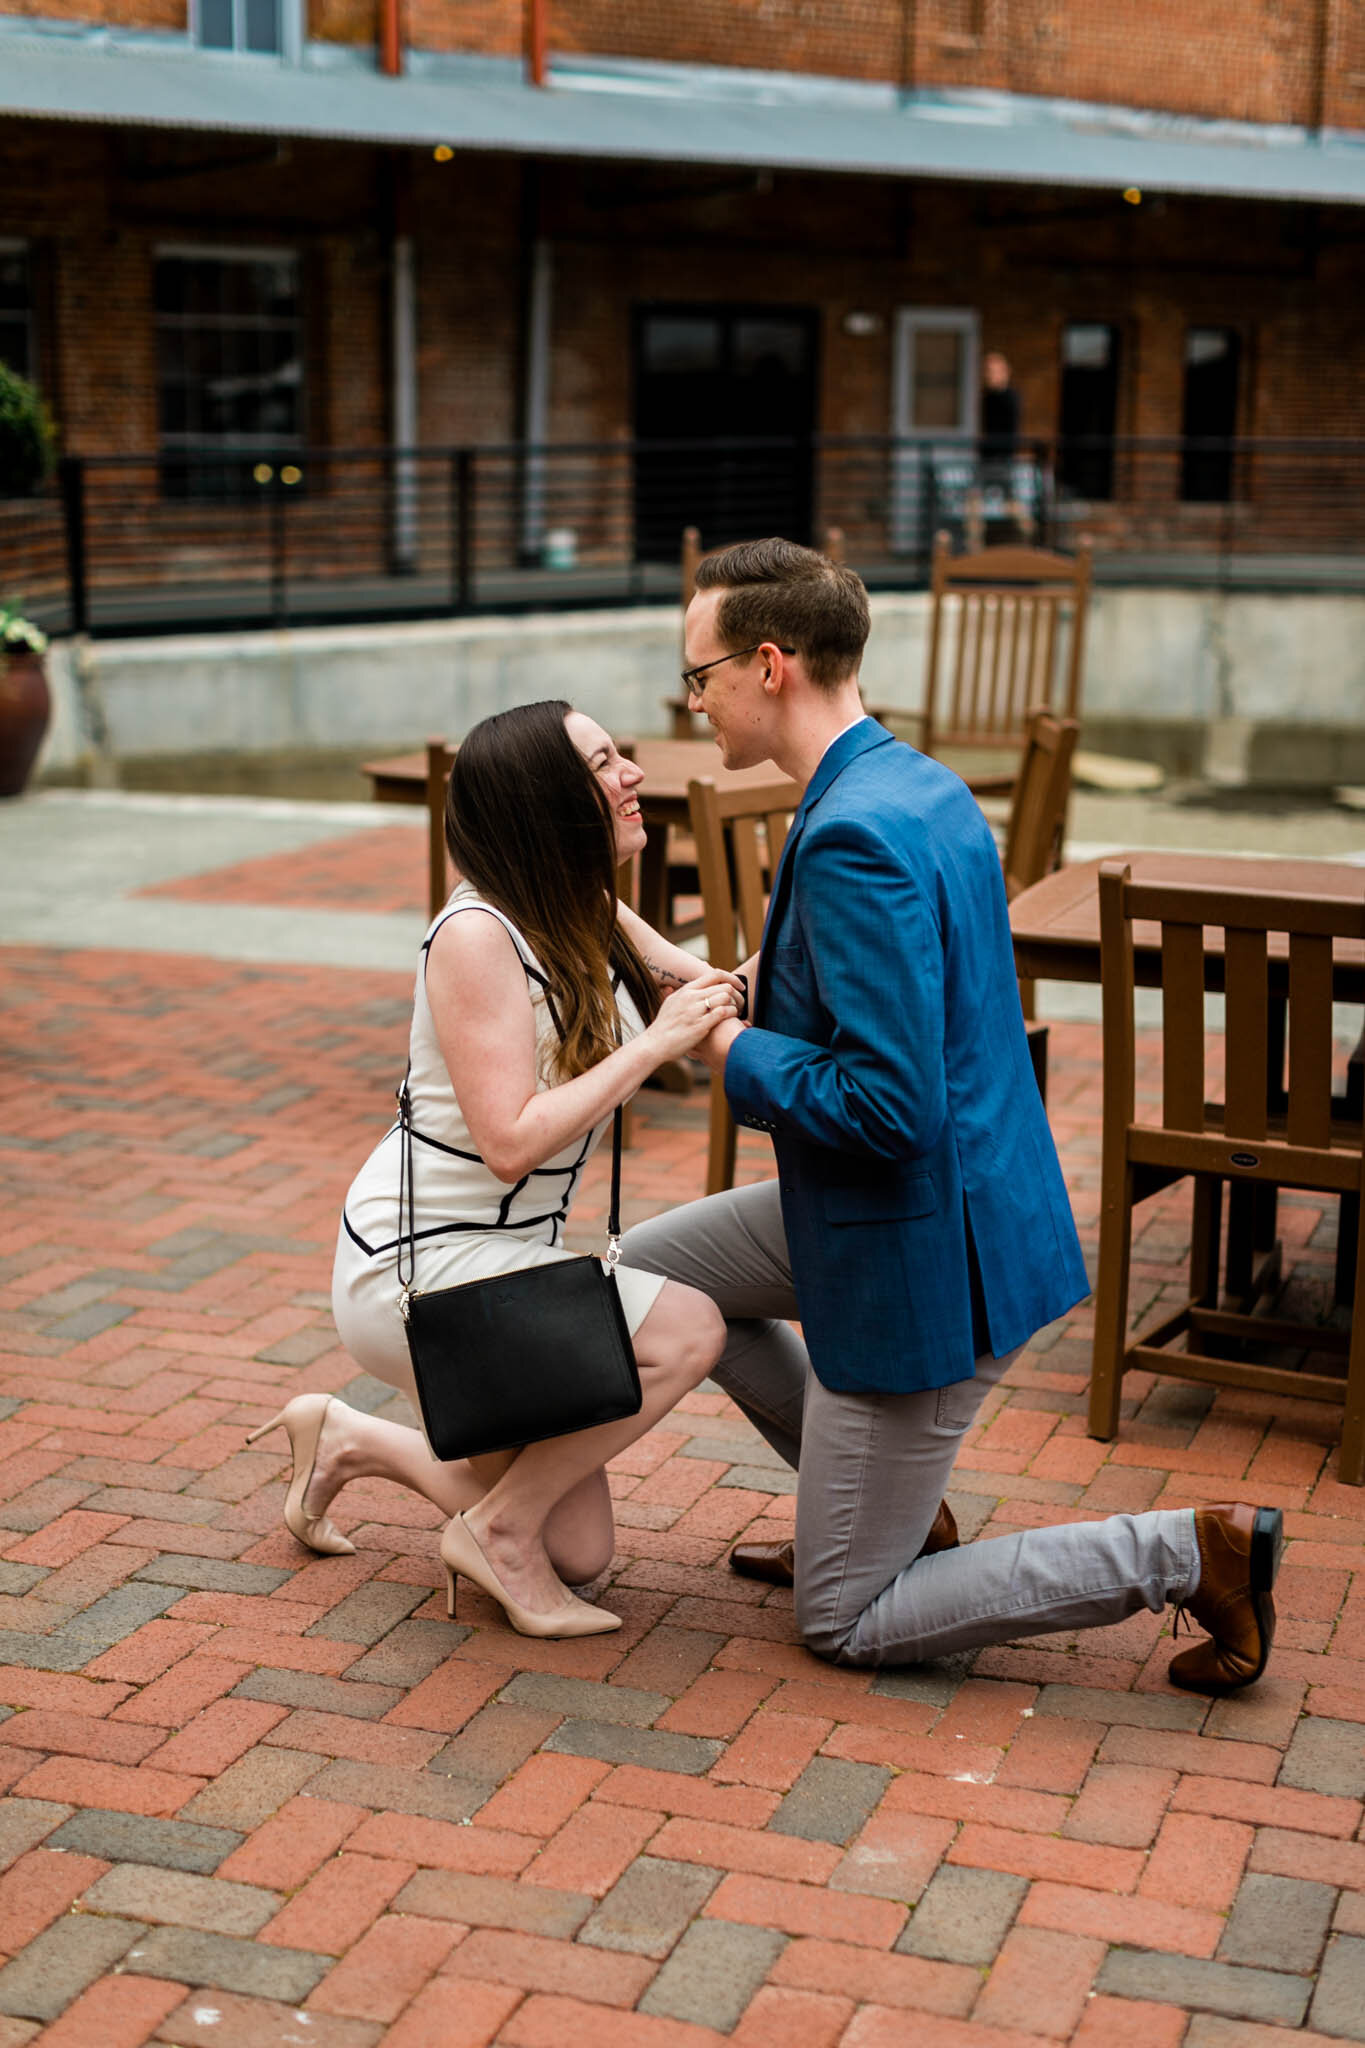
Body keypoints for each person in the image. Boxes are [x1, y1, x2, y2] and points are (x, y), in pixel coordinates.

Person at [620, 537, 1282, 1693]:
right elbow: (874, 1008)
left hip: (927, 1254)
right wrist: (669, 958)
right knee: (652, 1269)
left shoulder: (852, 834)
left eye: (700, 674)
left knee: (844, 1617)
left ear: (768, 663)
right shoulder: (912, 784)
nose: (693, 698)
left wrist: (725, 1045)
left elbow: (885, 1102)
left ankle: (1192, 1552)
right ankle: (882, 1508)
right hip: (931, 1203)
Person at [247, 700, 743, 1640]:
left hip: (509, 1257)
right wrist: (656, 1048)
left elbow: (706, 988)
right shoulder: (475, 936)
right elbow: (509, 1141)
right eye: (605, 763)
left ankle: (349, 1440)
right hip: (422, 1265)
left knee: (585, 1557)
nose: (632, 774)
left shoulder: (580, 903)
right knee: (687, 1329)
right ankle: (497, 1531)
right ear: (548, 801)